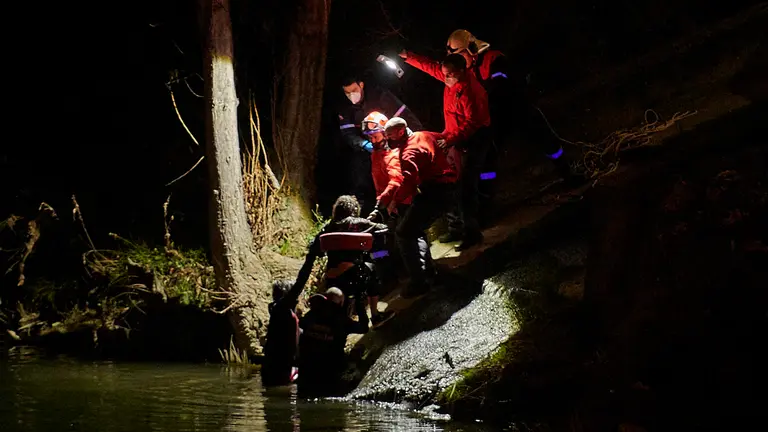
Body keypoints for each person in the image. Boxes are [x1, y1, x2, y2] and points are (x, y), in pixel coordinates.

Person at [444, 29, 577, 185]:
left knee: (547, 140)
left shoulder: (494, 59)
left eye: (460, 56)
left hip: (518, 107)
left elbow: (500, 85)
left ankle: (568, 175)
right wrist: (408, 56)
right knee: (488, 158)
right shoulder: (467, 71)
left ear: (470, 50)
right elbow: (433, 69)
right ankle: (485, 199)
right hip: (497, 116)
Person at [398, 51, 491, 250]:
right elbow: (430, 66)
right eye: (444, 73)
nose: (445, 77)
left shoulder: (471, 91)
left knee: (466, 188)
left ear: (461, 71)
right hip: (454, 140)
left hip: (473, 140)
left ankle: (473, 233)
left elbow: (472, 122)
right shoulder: (450, 79)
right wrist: (408, 56)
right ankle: (457, 228)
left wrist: (449, 140)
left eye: (449, 74)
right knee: (451, 184)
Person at [377, 117, 458, 298]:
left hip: (435, 190)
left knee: (404, 233)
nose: (387, 139)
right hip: (449, 183)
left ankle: (418, 281)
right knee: (415, 229)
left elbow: (408, 182)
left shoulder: (408, 152)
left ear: (400, 132)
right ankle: (428, 271)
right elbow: (443, 137)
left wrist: (392, 203)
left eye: (389, 135)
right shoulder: (424, 135)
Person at [295, 195, 392, 326]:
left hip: (334, 276)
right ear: (353, 209)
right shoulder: (358, 223)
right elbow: (383, 228)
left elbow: (314, 247)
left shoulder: (328, 227)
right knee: (374, 265)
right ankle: (375, 316)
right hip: (357, 274)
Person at [338, 77, 423, 213]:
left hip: (393, 147)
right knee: (365, 180)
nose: (351, 95)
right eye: (347, 93)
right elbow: (348, 132)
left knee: (397, 179)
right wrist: (363, 143)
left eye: (353, 90)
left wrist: (417, 141)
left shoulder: (382, 97)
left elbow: (407, 118)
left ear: (361, 84)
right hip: (368, 152)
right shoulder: (346, 107)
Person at [297, 287, 369, 397]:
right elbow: (364, 328)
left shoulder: (311, 315)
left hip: (306, 373)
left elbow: (301, 325)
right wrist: (360, 306)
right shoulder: (342, 319)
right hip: (329, 374)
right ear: (341, 303)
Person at [261, 280, 302, 387]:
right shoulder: (281, 309)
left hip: (278, 365)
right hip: (278, 366)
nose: (297, 299)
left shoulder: (280, 311)